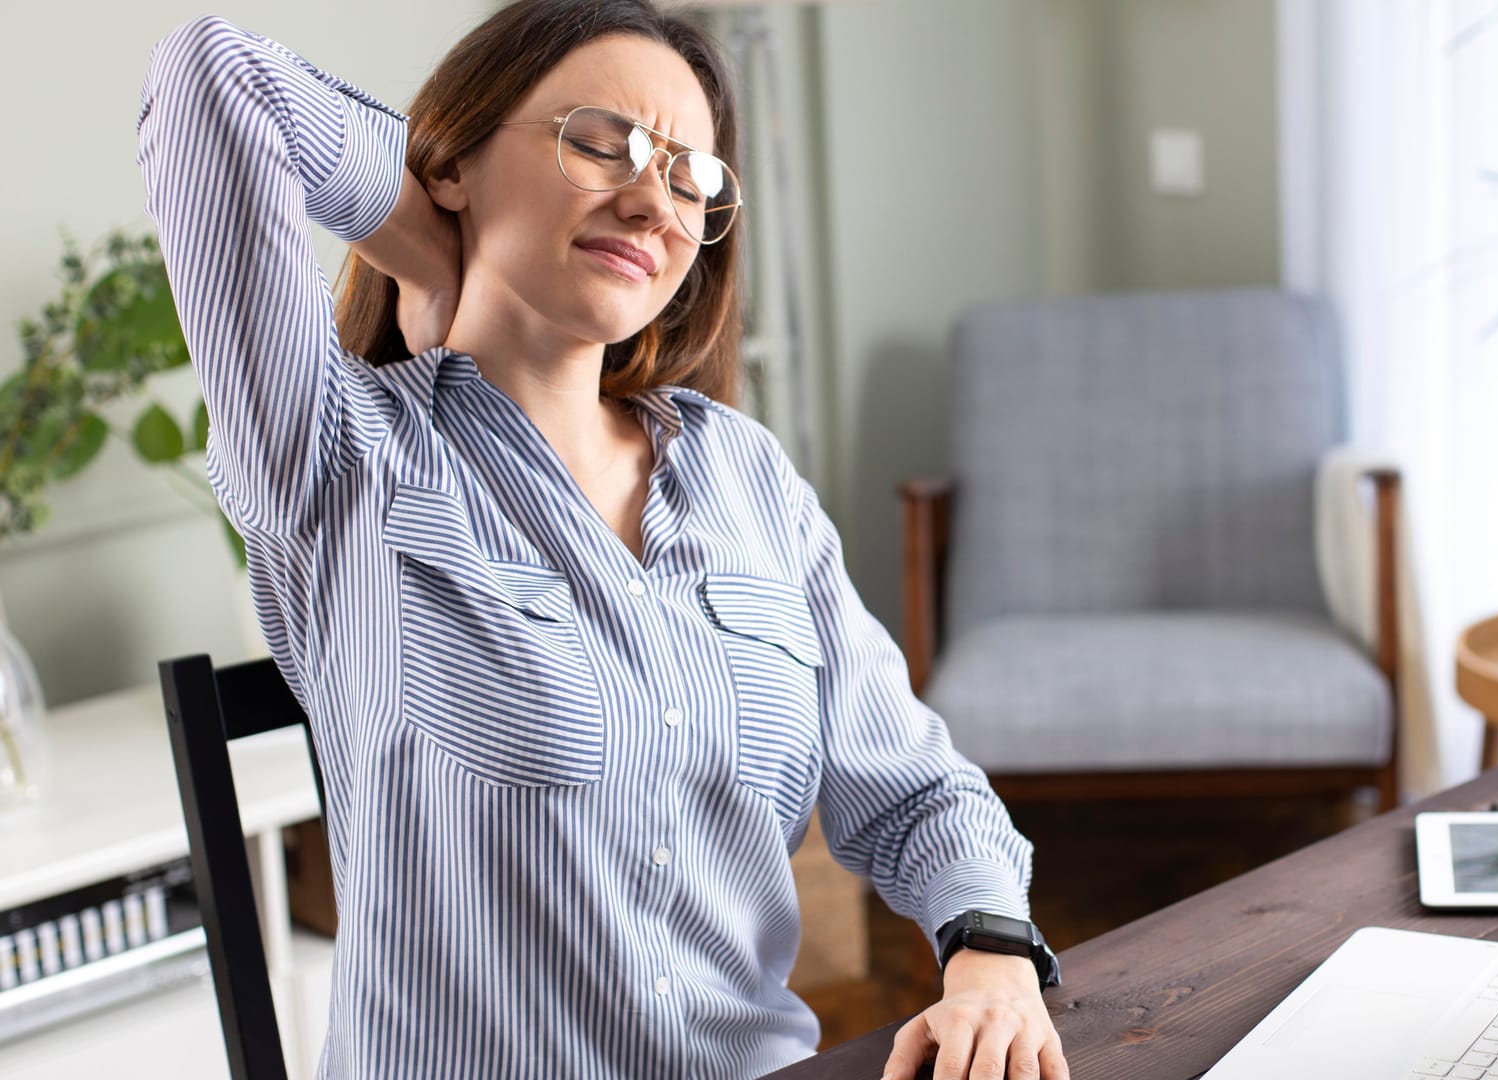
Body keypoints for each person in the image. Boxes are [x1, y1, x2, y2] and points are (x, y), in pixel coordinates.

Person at [136, 4, 1067, 1077]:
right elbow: (214, 81)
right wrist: (427, 246)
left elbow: (912, 788)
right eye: (599, 140)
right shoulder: (337, 454)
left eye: (690, 178)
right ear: (458, 160)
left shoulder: (744, 475)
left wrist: (990, 954)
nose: (652, 201)